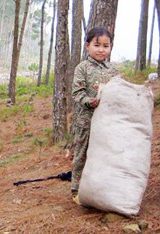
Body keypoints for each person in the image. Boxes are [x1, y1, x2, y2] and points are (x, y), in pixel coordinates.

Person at [70, 27, 120, 204]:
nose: (101, 49)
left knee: (106, 154)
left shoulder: (113, 70)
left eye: (106, 46)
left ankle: (103, 188)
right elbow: (77, 93)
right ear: (87, 46)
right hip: (86, 122)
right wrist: (88, 101)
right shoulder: (82, 68)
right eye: (97, 45)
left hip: (107, 123)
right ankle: (77, 190)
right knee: (82, 154)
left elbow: (118, 91)